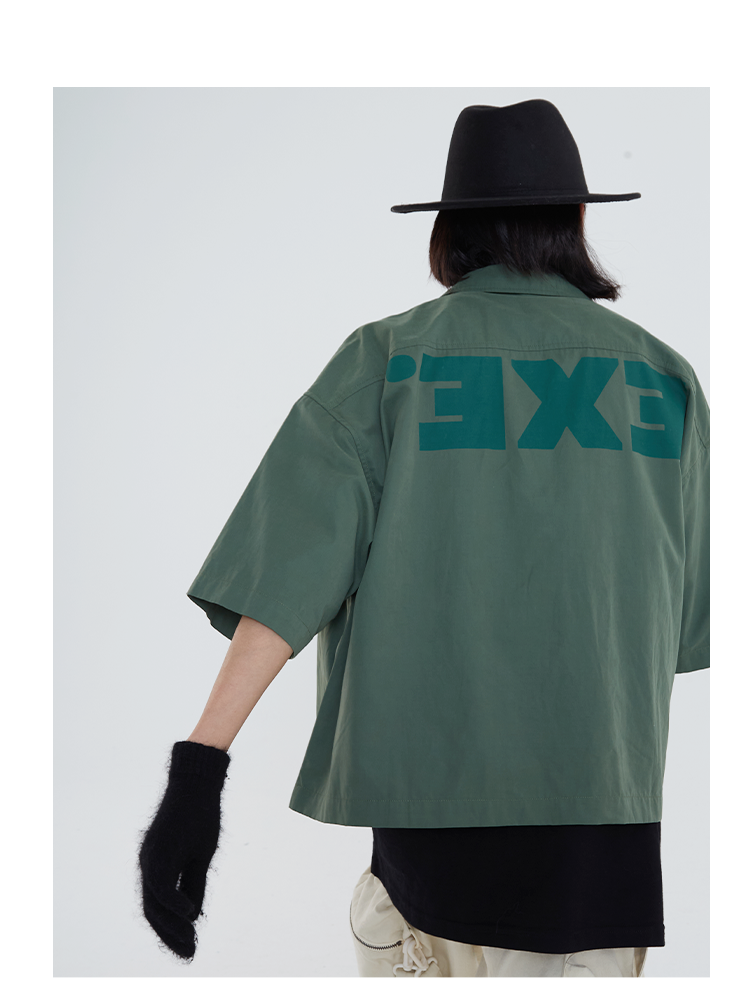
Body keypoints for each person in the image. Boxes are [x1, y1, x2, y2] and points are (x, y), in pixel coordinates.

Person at [137, 100, 709, 978]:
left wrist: (198, 775)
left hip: (430, 831)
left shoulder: (387, 362)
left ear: (449, 229)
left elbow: (282, 585)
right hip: (606, 839)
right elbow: (682, 622)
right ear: (576, 218)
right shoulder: (663, 379)